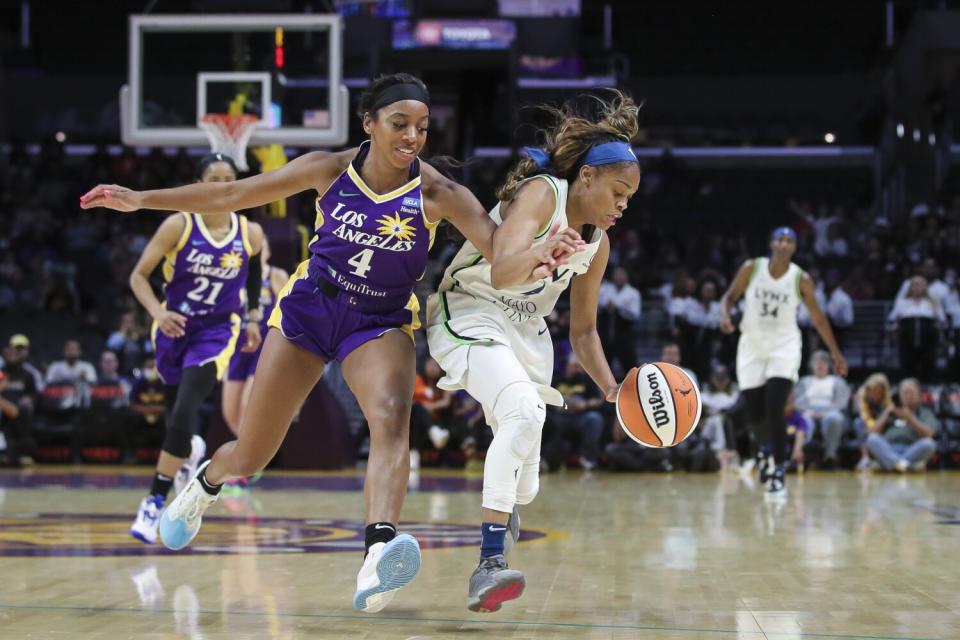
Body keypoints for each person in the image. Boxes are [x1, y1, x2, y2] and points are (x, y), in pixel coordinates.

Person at [81, 73, 573, 613]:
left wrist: (546, 254)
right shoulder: (329, 169)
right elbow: (231, 193)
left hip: (379, 319)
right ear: (368, 124)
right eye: (400, 124)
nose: (412, 136)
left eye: (423, 128)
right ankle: (205, 483)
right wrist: (141, 199)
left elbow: (502, 263)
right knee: (253, 453)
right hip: (312, 307)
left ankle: (377, 551)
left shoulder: (439, 194)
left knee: (391, 419)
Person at [425, 90, 640, 612]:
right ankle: (489, 562)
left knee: (529, 485)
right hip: (473, 308)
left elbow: (584, 333)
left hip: (528, 333)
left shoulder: (600, 244)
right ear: (587, 176)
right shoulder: (544, 193)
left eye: (629, 199)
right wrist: (543, 250)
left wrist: (611, 388)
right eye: (617, 191)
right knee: (521, 413)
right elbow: (501, 270)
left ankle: (510, 496)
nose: (622, 205)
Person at [114, 153, 265, 544]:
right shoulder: (178, 224)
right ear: (197, 184)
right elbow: (138, 276)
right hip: (174, 326)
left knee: (184, 408)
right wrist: (157, 313)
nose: (220, 185)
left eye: (228, 178)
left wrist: (251, 318)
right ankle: (190, 449)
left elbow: (253, 278)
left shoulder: (250, 233)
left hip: (218, 330)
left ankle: (153, 502)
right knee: (174, 417)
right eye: (212, 178)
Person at [719, 226, 847, 500]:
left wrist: (835, 352)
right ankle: (764, 449)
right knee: (754, 412)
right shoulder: (752, 268)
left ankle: (778, 470)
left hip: (784, 345)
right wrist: (725, 315)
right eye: (779, 238)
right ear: (771, 243)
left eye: (789, 240)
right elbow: (729, 297)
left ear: (794, 248)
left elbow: (819, 318)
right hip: (751, 345)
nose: (784, 243)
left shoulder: (801, 279)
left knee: (775, 405)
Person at [220, 235, 288, 490]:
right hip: (236, 349)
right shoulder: (234, 277)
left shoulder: (276, 276)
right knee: (231, 413)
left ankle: (250, 465)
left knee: (250, 405)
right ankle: (248, 458)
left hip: (263, 348)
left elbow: (290, 310)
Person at [864, 378, 938, 471]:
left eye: (911, 392)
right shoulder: (890, 411)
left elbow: (929, 434)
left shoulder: (924, 412)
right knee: (872, 439)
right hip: (889, 449)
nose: (908, 396)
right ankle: (906, 465)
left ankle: (890, 464)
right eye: (905, 393)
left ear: (919, 395)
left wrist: (910, 418)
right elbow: (871, 432)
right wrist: (886, 414)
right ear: (900, 395)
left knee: (929, 444)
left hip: (911, 449)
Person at [792, 350, 850, 469]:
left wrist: (825, 412)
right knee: (803, 420)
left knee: (834, 418)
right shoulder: (804, 382)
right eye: (816, 362)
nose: (819, 365)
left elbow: (842, 403)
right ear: (811, 365)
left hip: (830, 412)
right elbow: (795, 401)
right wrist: (809, 411)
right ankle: (802, 456)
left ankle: (830, 456)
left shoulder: (838, 382)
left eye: (823, 362)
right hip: (808, 411)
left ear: (829, 365)